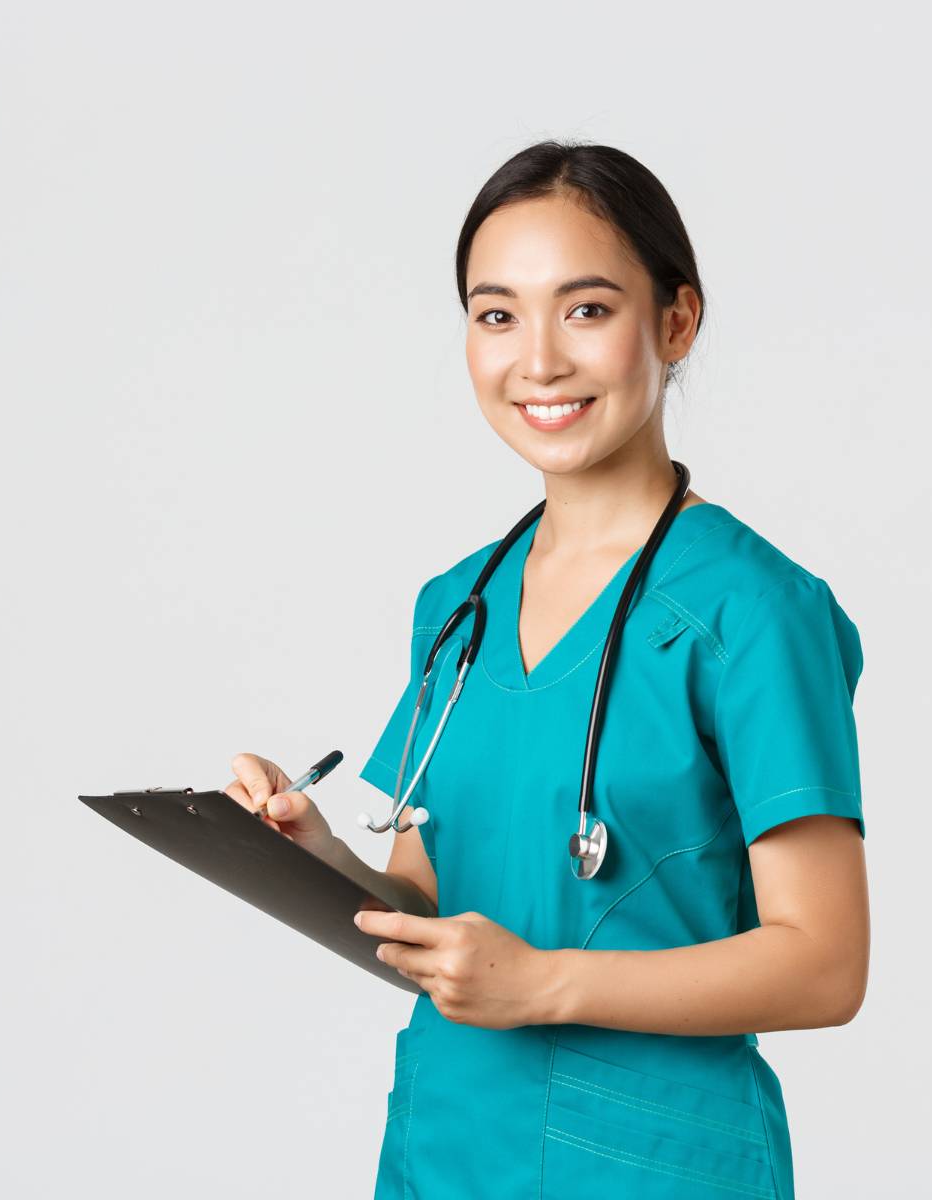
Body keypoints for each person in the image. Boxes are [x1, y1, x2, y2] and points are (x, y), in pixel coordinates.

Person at [224, 140, 868, 1200]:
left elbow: (826, 962)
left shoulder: (753, 611)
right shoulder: (459, 604)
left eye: (586, 310)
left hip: (652, 1163)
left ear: (676, 321)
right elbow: (438, 910)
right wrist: (318, 853)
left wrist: (543, 985)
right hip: (446, 1144)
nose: (538, 361)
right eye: (496, 314)